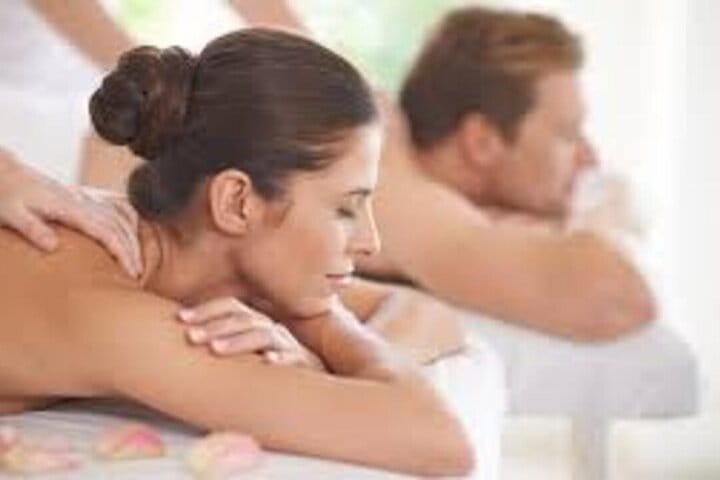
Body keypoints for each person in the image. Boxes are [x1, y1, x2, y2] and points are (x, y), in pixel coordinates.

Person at [0, 29, 475, 476]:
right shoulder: (117, 317)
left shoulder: (201, 265)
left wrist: (323, 344)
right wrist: (330, 347)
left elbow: (428, 314)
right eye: (345, 208)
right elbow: (438, 439)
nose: (370, 241)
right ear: (236, 202)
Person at [359, 6, 656, 341]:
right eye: (567, 134)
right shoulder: (371, 196)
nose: (589, 159)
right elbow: (618, 301)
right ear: (482, 142)